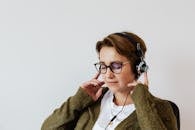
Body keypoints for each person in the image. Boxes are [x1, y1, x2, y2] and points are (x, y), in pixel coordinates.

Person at [41, 32, 178, 130]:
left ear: (138, 67)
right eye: (103, 66)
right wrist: (78, 100)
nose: (108, 74)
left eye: (116, 65)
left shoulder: (160, 108)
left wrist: (142, 100)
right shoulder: (93, 99)